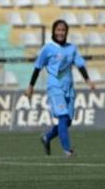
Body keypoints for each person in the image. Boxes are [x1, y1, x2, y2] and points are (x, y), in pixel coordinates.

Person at [26, 19, 95, 157]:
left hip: (69, 87)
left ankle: (47, 137)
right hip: (54, 86)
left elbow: (80, 65)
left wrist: (88, 80)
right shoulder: (47, 48)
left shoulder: (71, 48)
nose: (61, 33)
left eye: (63, 30)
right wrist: (31, 86)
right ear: (53, 31)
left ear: (66, 32)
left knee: (67, 121)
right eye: (58, 30)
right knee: (63, 117)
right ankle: (67, 149)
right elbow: (37, 67)